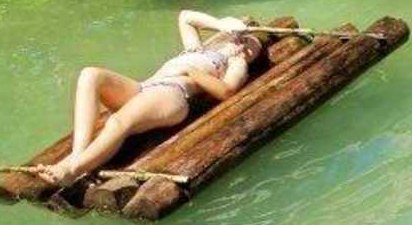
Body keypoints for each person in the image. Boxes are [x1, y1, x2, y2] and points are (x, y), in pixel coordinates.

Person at [32, 10, 264, 188]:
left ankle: (73, 170)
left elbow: (226, 91)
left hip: (172, 93)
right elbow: (186, 17)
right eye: (242, 38)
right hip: (144, 87)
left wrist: (193, 71)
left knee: (117, 121)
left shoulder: (235, 63)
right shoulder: (197, 50)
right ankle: (77, 154)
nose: (243, 44)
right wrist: (220, 24)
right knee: (90, 74)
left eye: (251, 45)